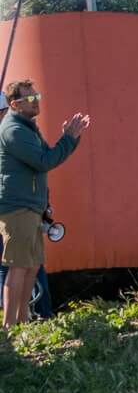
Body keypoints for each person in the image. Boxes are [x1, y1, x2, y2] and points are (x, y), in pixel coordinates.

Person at [0, 81, 88, 326]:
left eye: (37, 95)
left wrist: (69, 139)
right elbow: (44, 161)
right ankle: (10, 325)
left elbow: (45, 161)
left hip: (30, 207)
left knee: (32, 264)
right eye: (30, 97)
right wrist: (68, 138)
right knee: (18, 266)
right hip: (17, 208)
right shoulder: (14, 130)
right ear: (15, 104)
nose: (37, 100)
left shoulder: (25, 128)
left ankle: (22, 319)